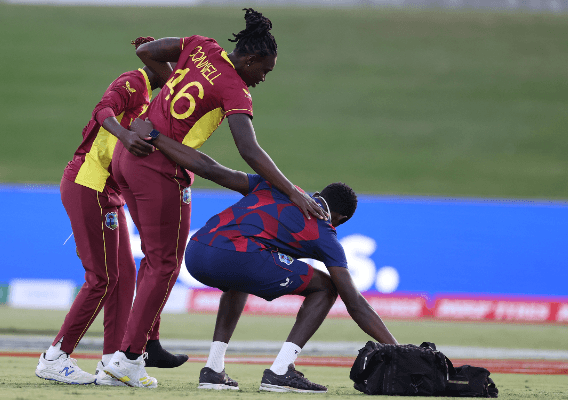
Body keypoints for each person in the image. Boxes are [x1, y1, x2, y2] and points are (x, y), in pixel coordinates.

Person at [102, 8, 328, 389]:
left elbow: (147, 52)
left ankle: (138, 349)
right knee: (165, 263)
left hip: (129, 155)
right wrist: (292, 191)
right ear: (251, 59)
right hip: (158, 168)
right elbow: (249, 151)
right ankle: (127, 358)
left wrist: (178, 81)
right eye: (264, 71)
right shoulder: (234, 89)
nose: (262, 79)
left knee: (154, 260)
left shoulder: (202, 47)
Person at [129, 117, 399, 393]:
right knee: (328, 287)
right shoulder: (326, 234)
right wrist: (397, 349)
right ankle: (281, 371)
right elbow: (355, 303)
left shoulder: (272, 185)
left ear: (317, 194)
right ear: (340, 219)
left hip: (196, 250)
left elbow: (209, 168)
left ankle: (213, 369)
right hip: (235, 255)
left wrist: (155, 136)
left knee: (242, 276)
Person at [34, 38, 187, 387]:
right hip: (88, 182)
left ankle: (112, 363)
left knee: (124, 277)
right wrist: (125, 135)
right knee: (101, 278)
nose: (180, 78)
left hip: (109, 191)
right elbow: (102, 110)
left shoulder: (160, 100)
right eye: (177, 71)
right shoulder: (133, 81)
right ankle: (55, 357)